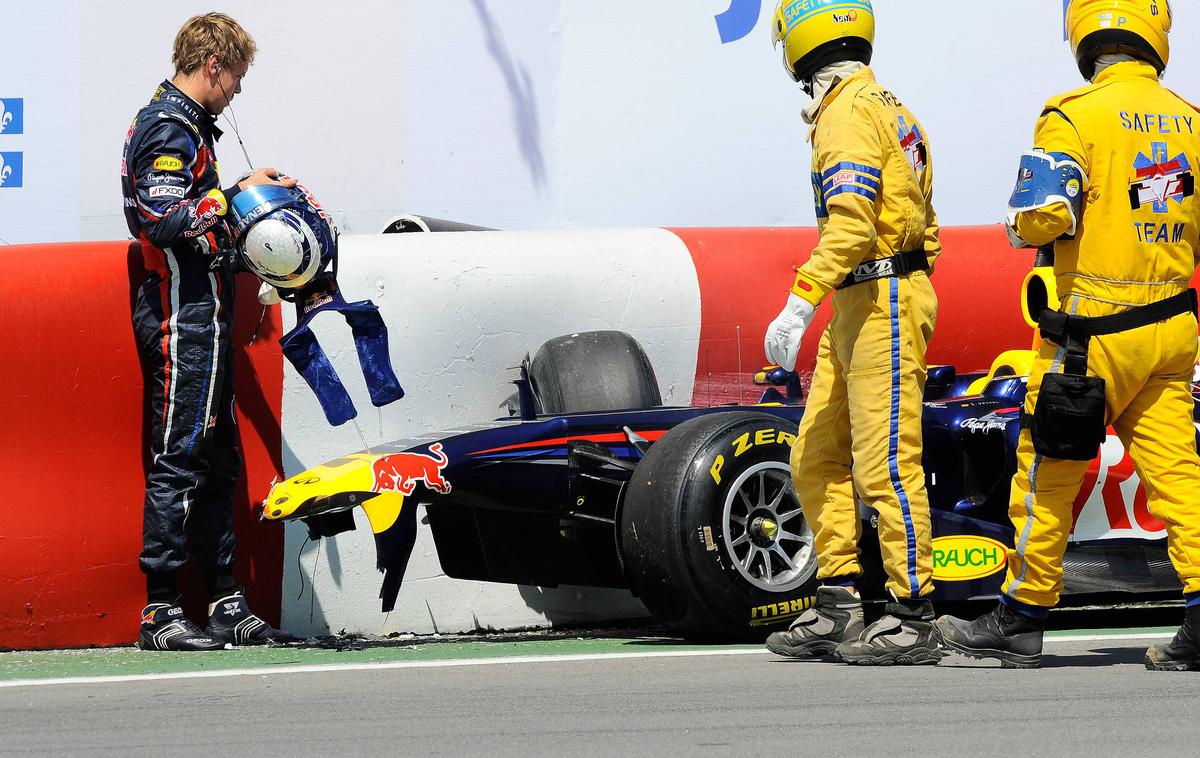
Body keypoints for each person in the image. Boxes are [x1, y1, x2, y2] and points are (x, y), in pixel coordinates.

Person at [936, 0, 1200, 671]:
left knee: (1046, 477)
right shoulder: (1191, 123)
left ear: (1081, 28)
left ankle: (1019, 620)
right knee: (1179, 479)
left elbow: (1041, 214)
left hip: (1090, 341)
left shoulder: (1072, 115)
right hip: (1171, 332)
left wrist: (1022, 229)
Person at [761, 0, 943, 665]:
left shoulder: (844, 116)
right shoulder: (891, 106)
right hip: (870, 297)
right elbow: (926, 221)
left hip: (878, 300)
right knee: (815, 454)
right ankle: (840, 599)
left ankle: (913, 613)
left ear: (797, 43)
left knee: (885, 463)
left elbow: (852, 226)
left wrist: (799, 301)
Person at [122, 12, 295, 650]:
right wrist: (235, 195)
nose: (239, 92)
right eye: (237, 77)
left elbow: (197, 214)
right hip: (181, 319)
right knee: (181, 459)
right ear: (213, 64)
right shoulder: (169, 125)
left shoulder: (193, 126)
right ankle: (160, 612)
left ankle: (225, 602)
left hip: (209, 316)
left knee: (219, 462)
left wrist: (247, 199)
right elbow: (158, 219)